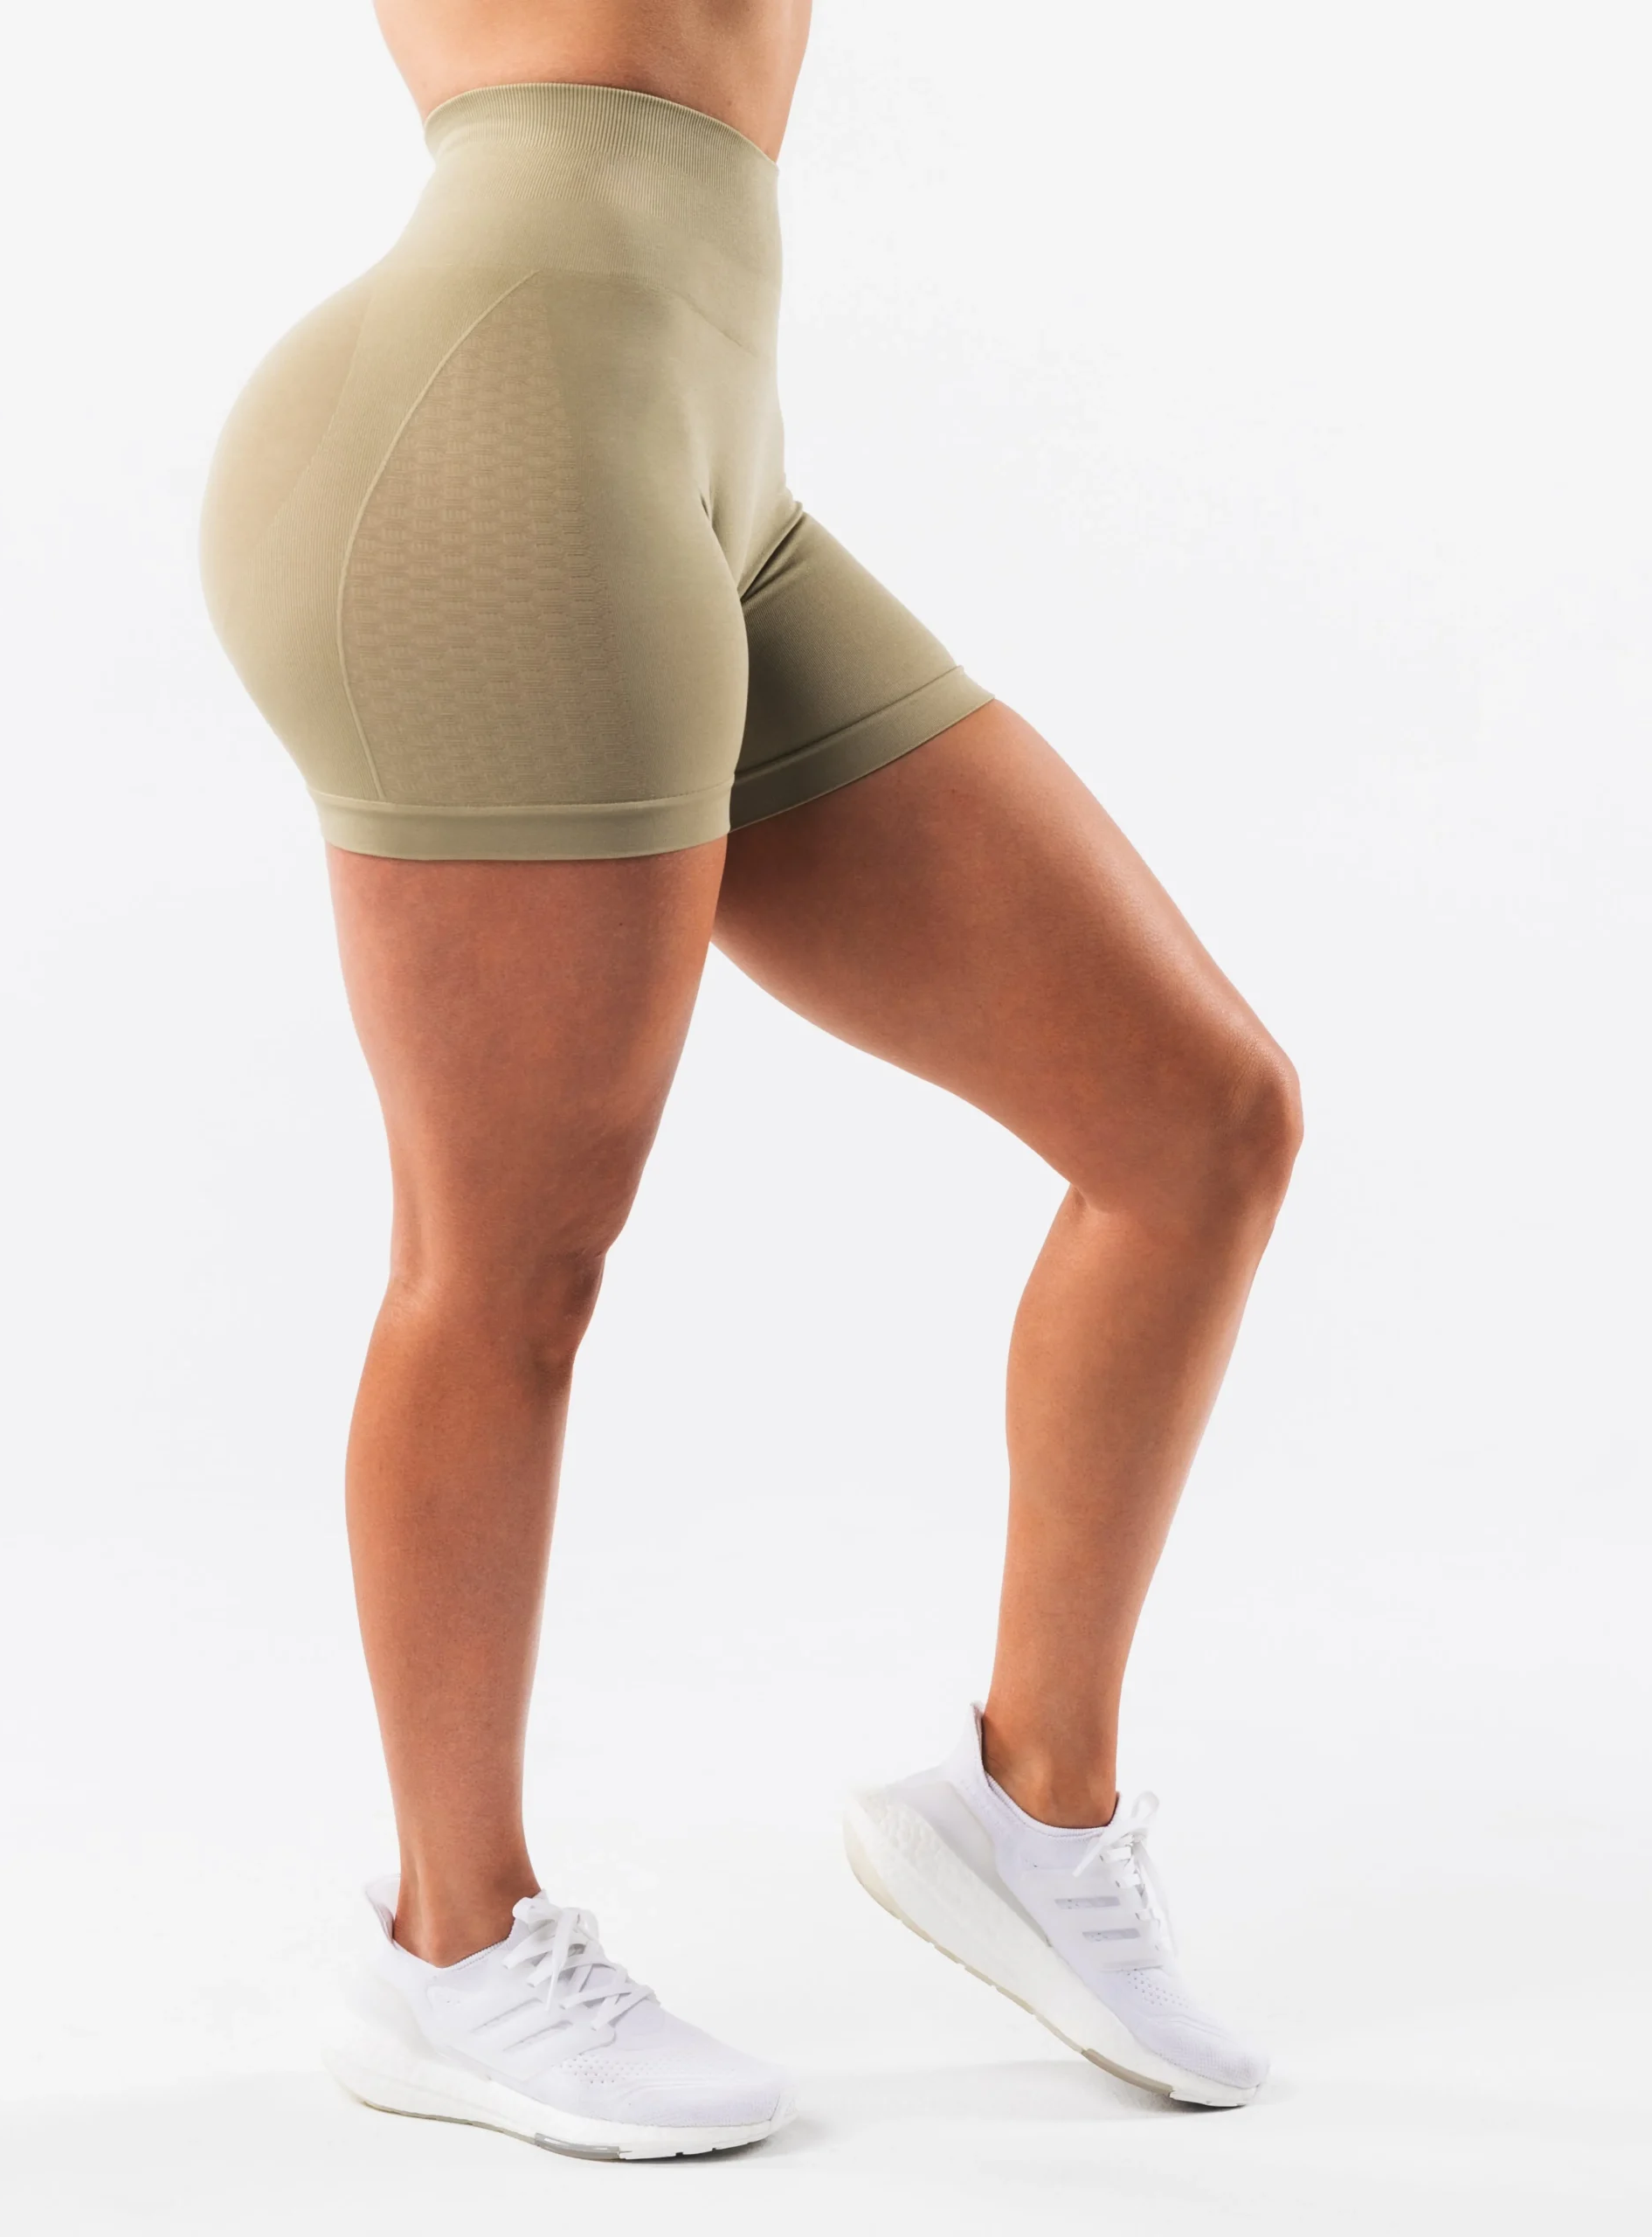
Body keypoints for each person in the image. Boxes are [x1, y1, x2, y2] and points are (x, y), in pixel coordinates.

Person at [199, 0, 1302, 2160]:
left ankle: (1026, 1806)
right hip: (490, 441)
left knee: (1200, 1122)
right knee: (508, 1260)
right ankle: (448, 1942)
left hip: (699, 449)